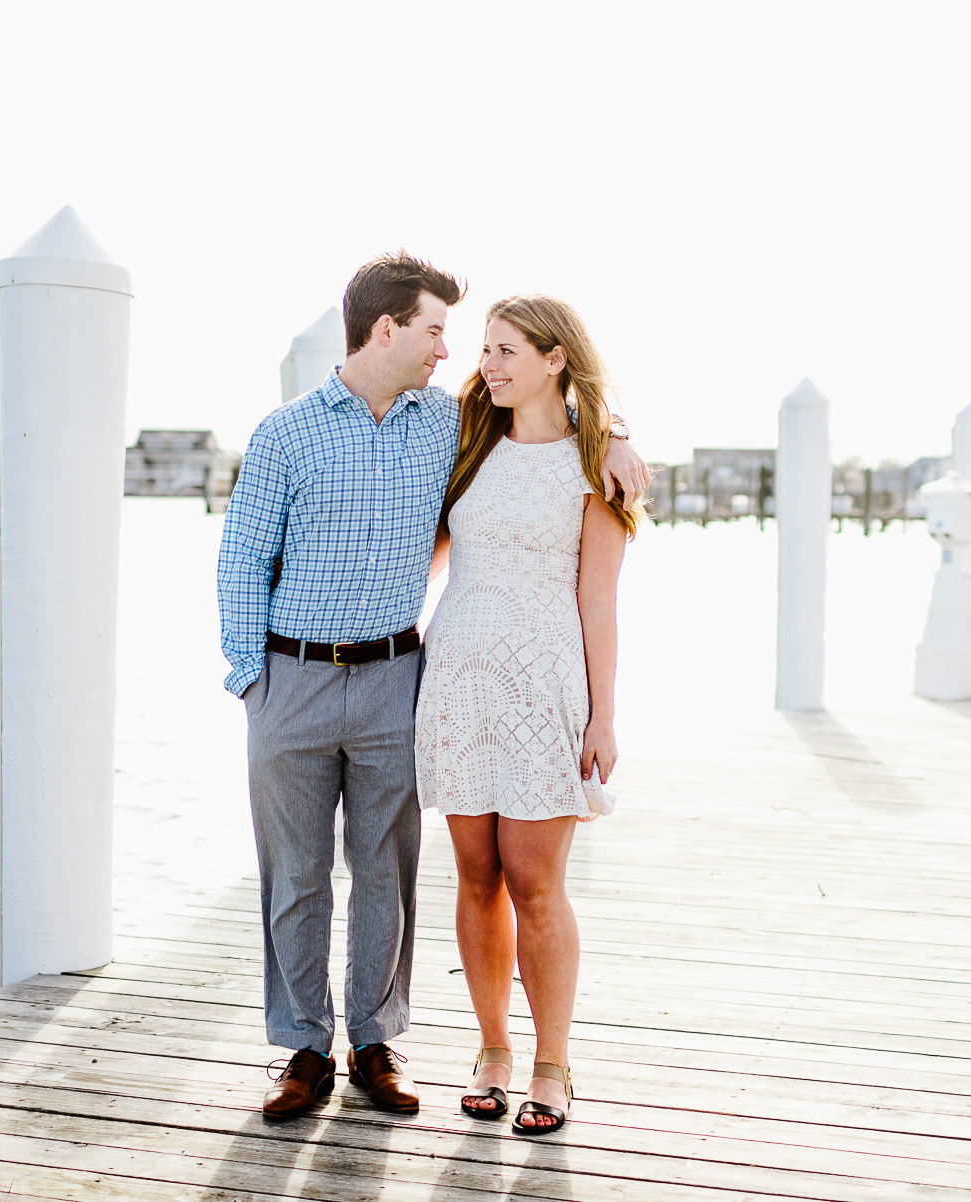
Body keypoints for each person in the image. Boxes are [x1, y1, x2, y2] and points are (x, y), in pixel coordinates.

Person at [217, 254, 647, 1120]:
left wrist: (620, 431)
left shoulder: (518, 443)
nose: (463, 357)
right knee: (369, 874)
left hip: (461, 681)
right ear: (389, 329)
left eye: (487, 344)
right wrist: (252, 679)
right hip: (365, 680)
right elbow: (250, 560)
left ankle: (440, 1052)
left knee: (437, 873)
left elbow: (588, 551)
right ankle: (351, 1049)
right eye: (447, 336)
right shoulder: (363, 433)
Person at [414, 295, 640, 1135]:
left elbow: (598, 600)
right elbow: (428, 555)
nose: (490, 366)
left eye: (507, 350)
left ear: (554, 358)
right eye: (485, 350)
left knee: (536, 883)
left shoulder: (597, 468)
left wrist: (603, 717)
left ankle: (553, 1064)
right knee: (476, 878)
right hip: (458, 686)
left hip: (546, 689)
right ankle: (492, 1051)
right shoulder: (467, 446)